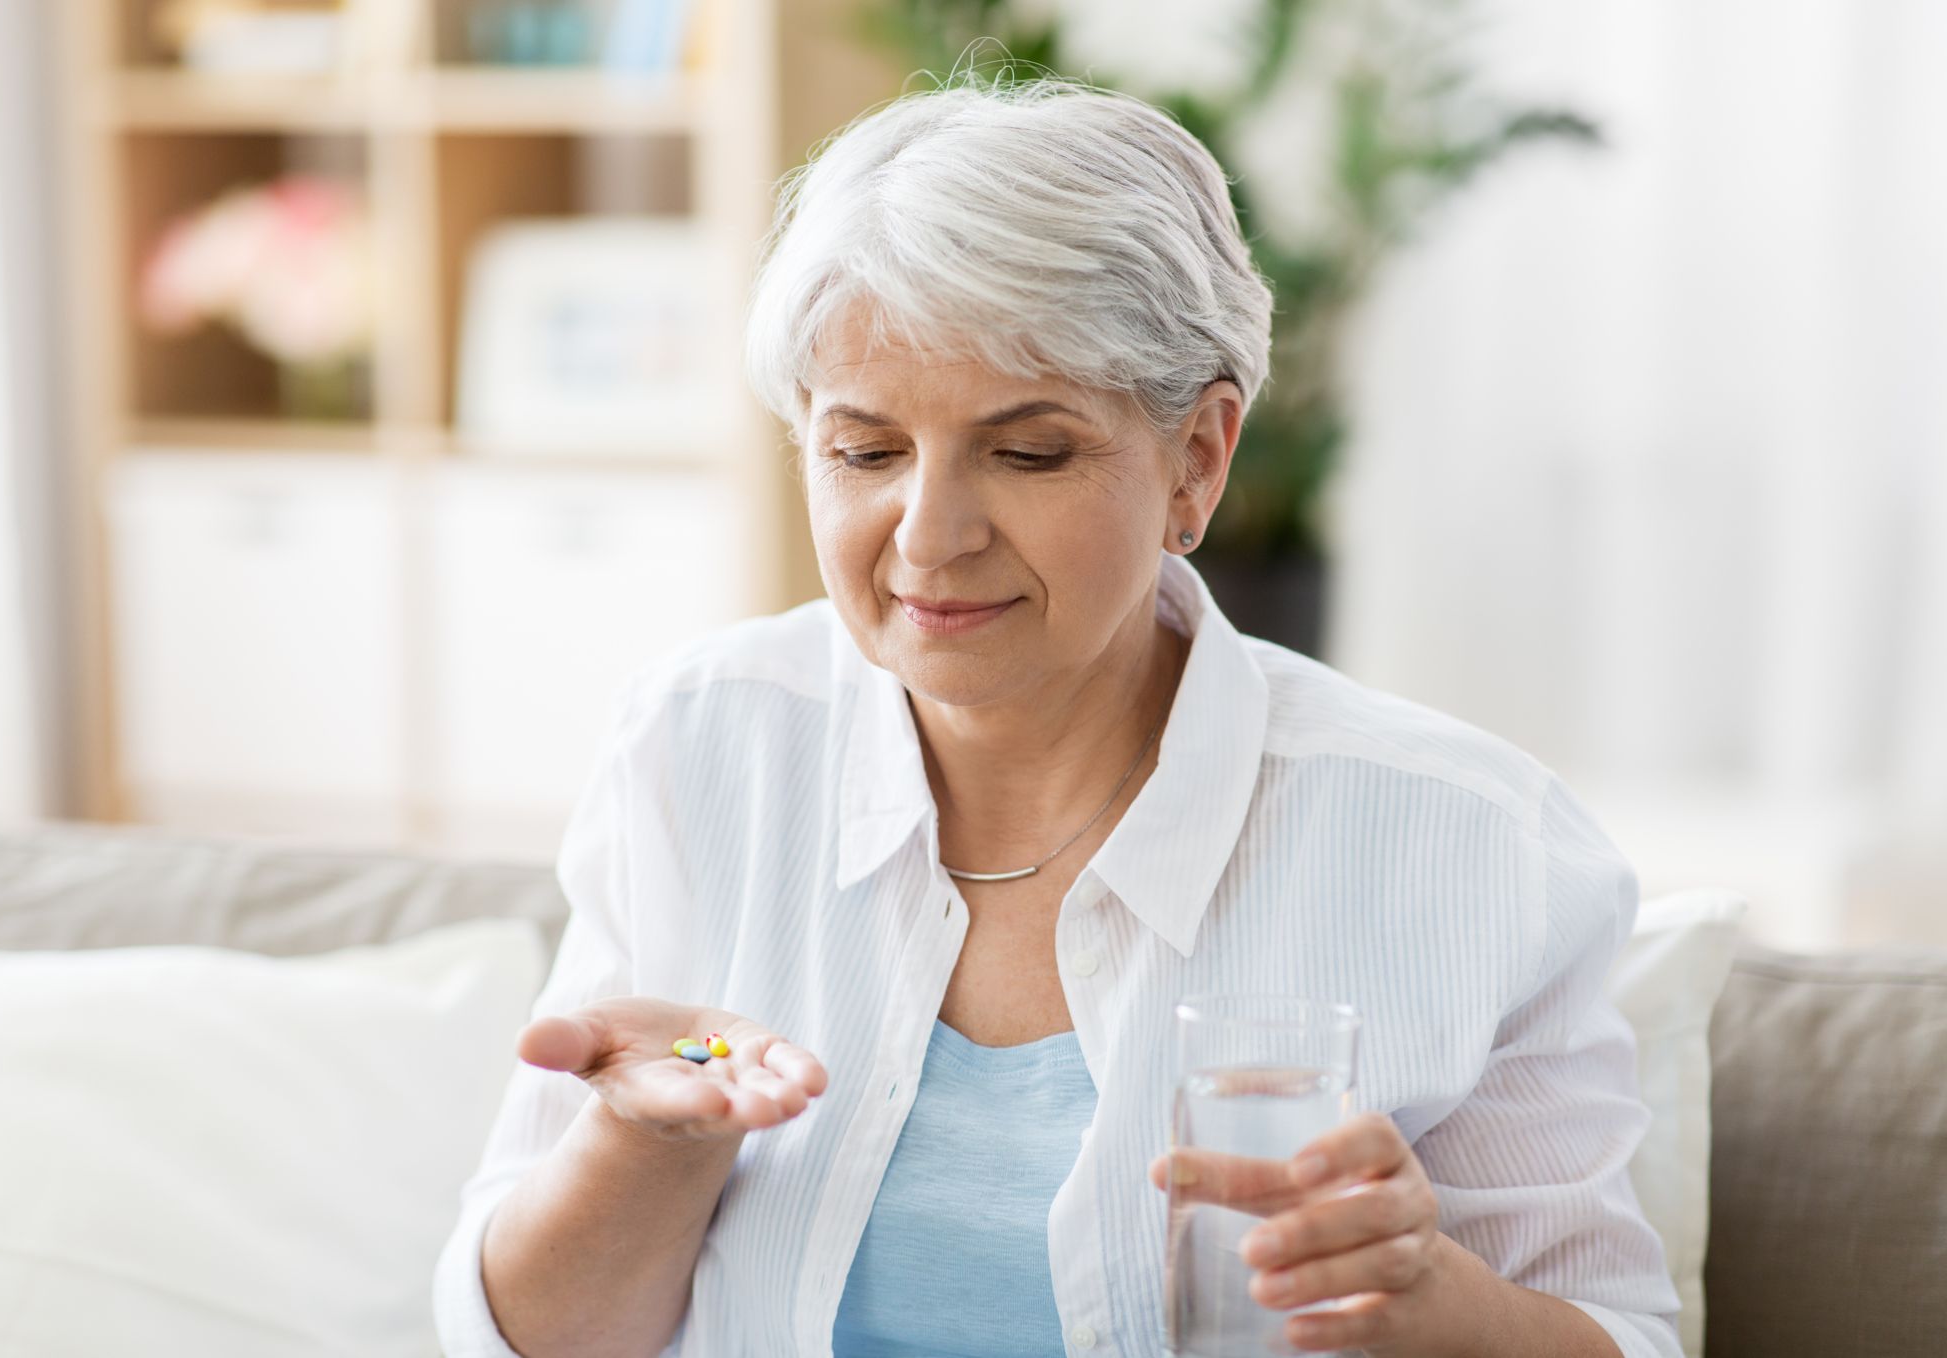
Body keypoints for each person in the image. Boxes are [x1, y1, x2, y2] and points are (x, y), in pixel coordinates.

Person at [433, 75, 1683, 1358]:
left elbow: (1626, 1334)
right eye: (864, 452)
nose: (929, 536)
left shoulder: (1467, 842)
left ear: (1196, 456)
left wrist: (1433, 1304)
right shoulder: (704, 746)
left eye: (1028, 453)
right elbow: (520, 1337)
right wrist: (645, 1144)